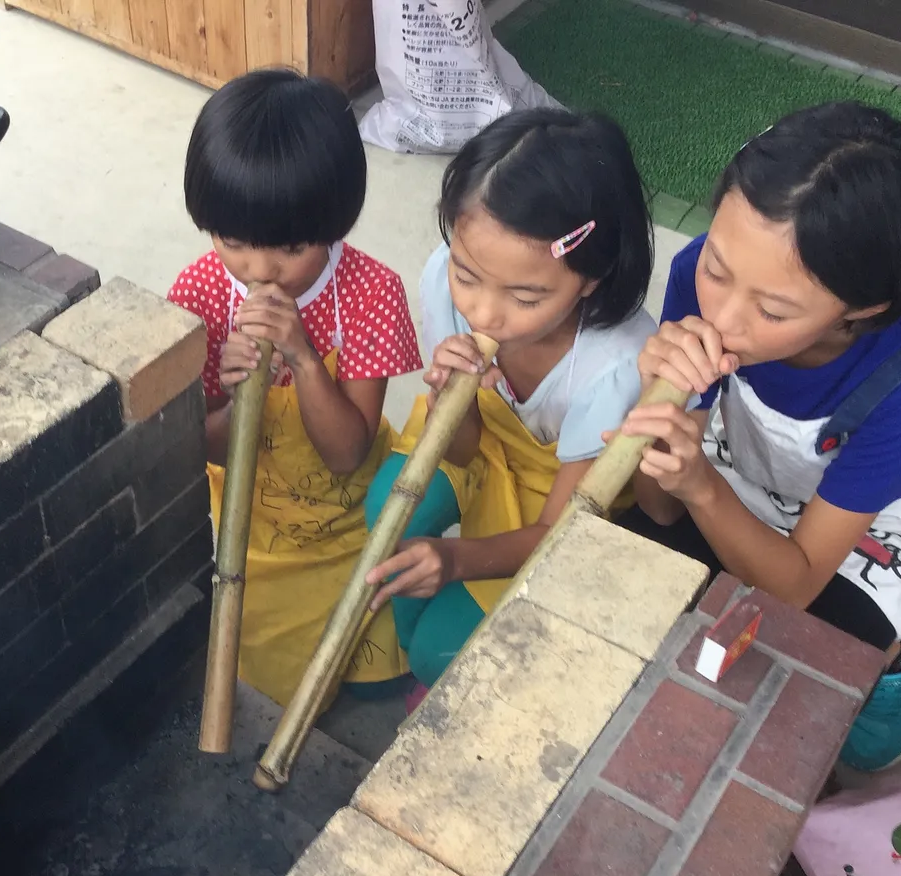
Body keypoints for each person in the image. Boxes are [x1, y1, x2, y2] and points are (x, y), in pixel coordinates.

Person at [615, 101, 901, 772]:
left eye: (773, 309)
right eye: (718, 268)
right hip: (744, 473)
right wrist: (659, 405)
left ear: (862, 309)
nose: (724, 317)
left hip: (864, 533)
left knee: (829, 714)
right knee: (634, 579)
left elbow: (794, 585)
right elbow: (659, 505)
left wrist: (698, 483)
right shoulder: (699, 280)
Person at [363, 108, 655, 698]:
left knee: (443, 646)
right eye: (469, 276)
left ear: (591, 278)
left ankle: (434, 658)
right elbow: (466, 446)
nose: (484, 314)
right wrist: (455, 397)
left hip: (560, 493)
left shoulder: (617, 366)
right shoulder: (445, 279)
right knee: (387, 515)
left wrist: (454, 560)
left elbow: (561, 529)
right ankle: (414, 651)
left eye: (525, 296)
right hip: (479, 437)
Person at [168, 69, 423, 707]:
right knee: (241, 653)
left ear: (337, 221)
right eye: (233, 242)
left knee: (380, 675)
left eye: (288, 247)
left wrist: (304, 359)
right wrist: (229, 398)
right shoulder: (198, 294)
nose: (259, 270)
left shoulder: (370, 293)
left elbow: (347, 454)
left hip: (344, 519)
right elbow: (204, 448)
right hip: (248, 523)